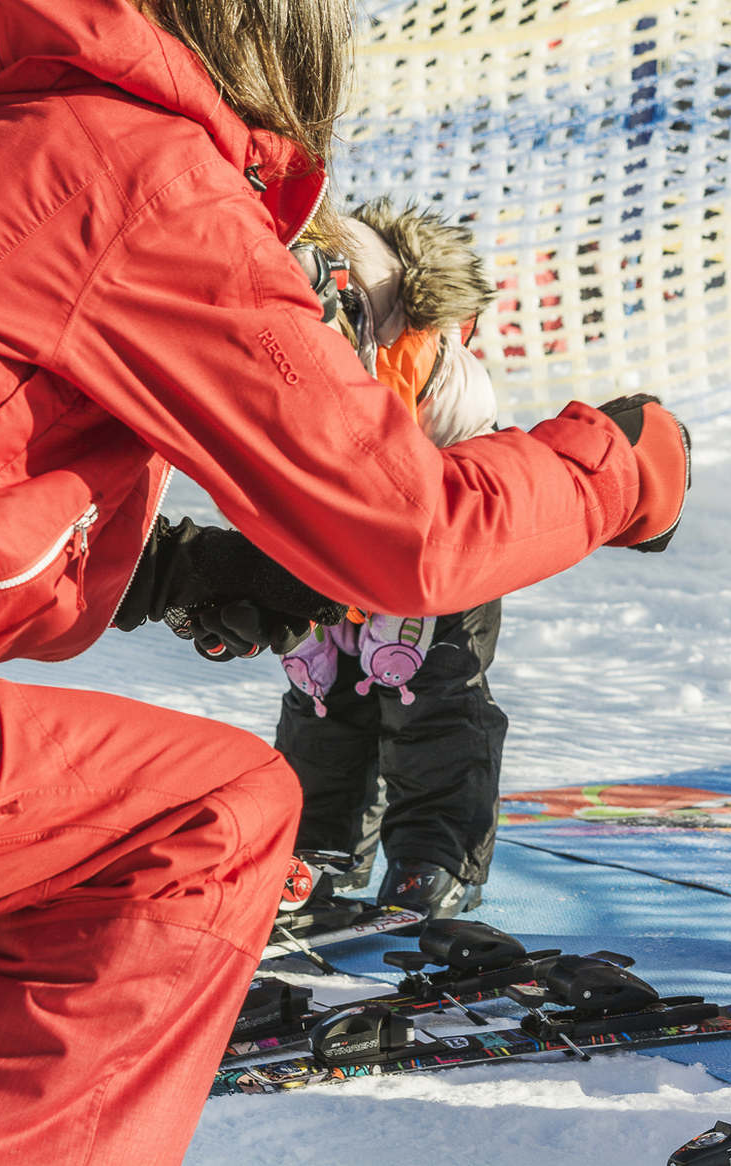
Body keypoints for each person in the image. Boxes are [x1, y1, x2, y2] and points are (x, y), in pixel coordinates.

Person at [0, 2, 690, 1164]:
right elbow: (410, 532)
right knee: (209, 815)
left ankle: (417, 846)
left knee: (400, 716)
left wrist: (160, 572)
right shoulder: (114, 155)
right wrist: (625, 461)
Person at [276, 198, 509, 922]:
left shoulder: (416, 355)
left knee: (430, 690)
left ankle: (434, 852)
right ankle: (322, 845)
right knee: (324, 688)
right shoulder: (275, 339)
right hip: (329, 526)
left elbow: (456, 461)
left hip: (439, 524)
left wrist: (420, 570)